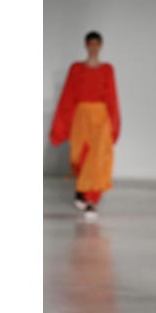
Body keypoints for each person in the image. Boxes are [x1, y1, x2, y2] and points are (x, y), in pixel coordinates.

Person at [49, 31, 121, 220]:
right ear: (86, 45)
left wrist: (114, 124)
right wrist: (61, 125)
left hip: (101, 119)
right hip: (81, 117)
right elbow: (68, 95)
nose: (94, 47)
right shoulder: (76, 69)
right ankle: (81, 192)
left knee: (98, 159)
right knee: (79, 156)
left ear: (101, 46)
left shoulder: (107, 69)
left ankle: (90, 201)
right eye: (91, 44)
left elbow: (112, 97)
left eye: (97, 44)